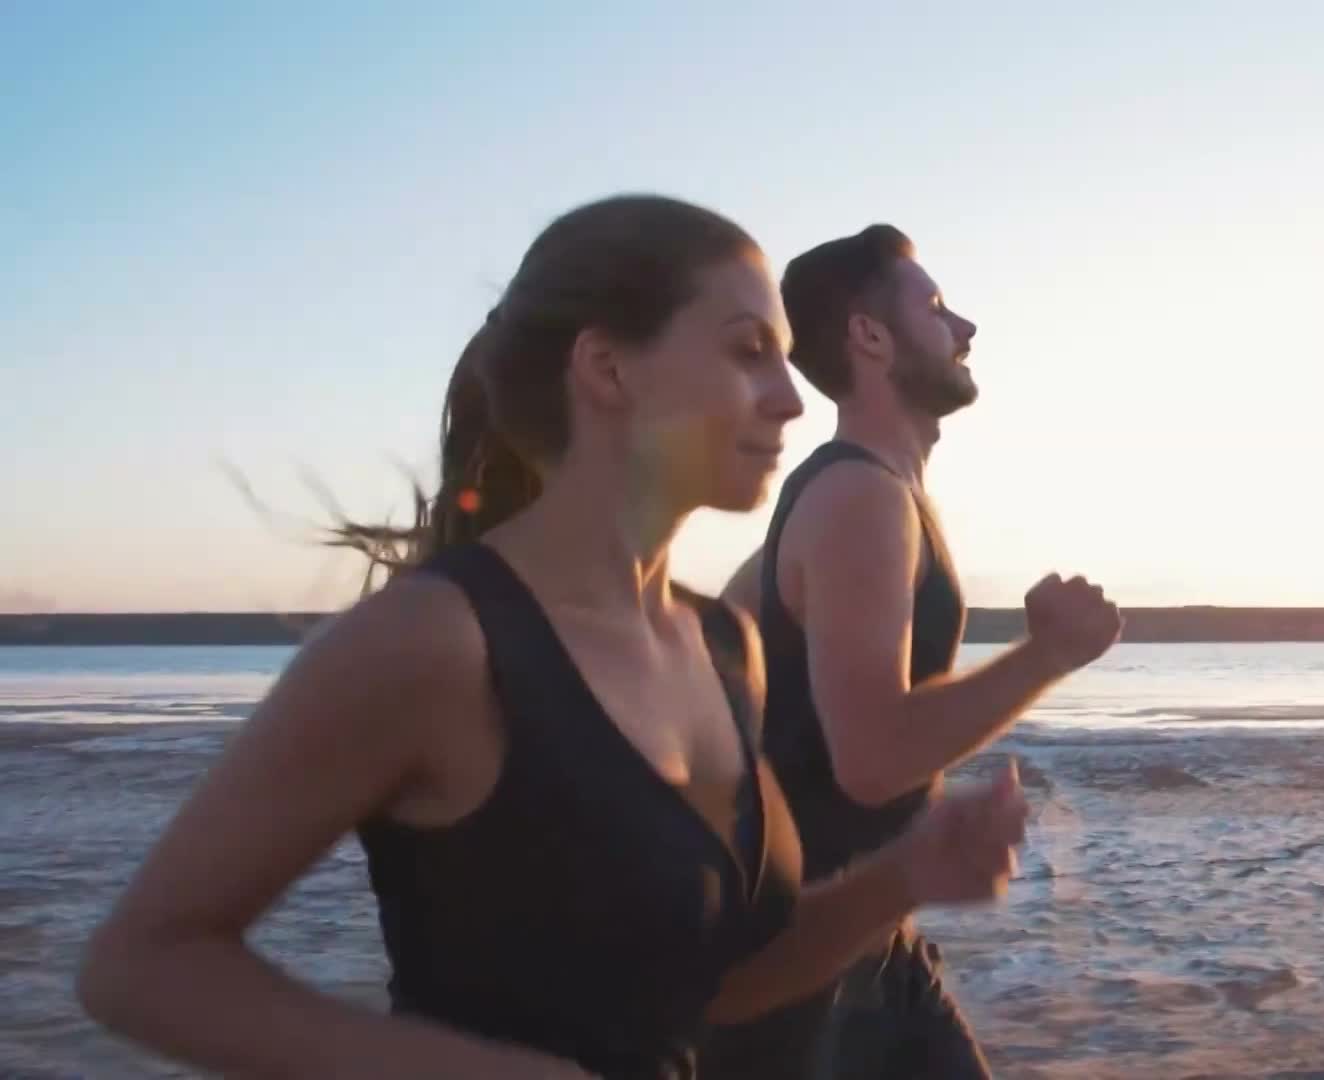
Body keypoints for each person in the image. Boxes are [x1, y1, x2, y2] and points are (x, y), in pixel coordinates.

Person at [74, 195, 1029, 1079]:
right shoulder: (440, 641)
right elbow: (140, 966)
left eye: (783, 356)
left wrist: (905, 875)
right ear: (607, 368)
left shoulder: (721, 647)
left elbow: (721, 985)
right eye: (748, 352)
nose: (788, 396)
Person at [699, 226, 1122, 1079]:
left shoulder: (854, 494)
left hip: (868, 941)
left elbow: (721, 647)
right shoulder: (860, 494)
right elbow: (872, 759)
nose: (965, 327)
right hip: (811, 972)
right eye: (935, 307)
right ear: (869, 335)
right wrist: (1046, 656)